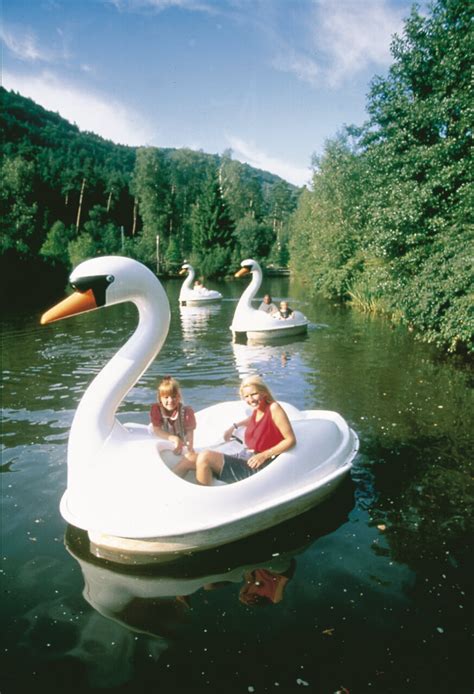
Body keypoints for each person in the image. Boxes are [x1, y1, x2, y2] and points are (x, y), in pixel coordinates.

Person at [188, 375, 296, 486]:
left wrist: (264, 455)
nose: (251, 400)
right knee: (190, 458)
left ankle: (205, 499)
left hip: (258, 465)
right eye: (247, 396)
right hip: (245, 456)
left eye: (254, 394)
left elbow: (290, 440)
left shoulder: (274, 408)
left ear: (264, 392)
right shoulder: (258, 410)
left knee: (206, 456)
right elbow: (252, 420)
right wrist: (234, 427)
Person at [150, 376, 197, 477]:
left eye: (174, 396)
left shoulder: (187, 412)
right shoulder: (156, 410)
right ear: (160, 398)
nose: (170, 400)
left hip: (180, 440)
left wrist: (190, 447)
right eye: (166, 397)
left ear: (179, 397)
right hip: (163, 438)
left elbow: (190, 434)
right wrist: (174, 439)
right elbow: (157, 430)